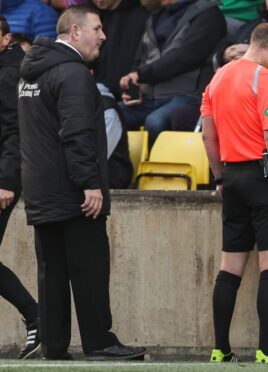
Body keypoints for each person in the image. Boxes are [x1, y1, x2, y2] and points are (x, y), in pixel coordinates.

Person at [18, 5, 146, 360]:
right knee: (89, 268)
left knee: (52, 273)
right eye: (98, 28)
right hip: (73, 192)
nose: (103, 36)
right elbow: (76, 133)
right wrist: (89, 183)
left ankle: (54, 347)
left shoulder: (30, 74)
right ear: (74, 32)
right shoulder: (73, 73)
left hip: (42, 191)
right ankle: (100, 342)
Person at [201, 23, 268, 364]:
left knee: (230, 267)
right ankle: (267, 350)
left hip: (230, 178)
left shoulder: (218, 77)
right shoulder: (267, 79)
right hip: (262, 178)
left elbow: (207, 137)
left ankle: (220, 349)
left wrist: (219, 178)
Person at [170, 0, 268, 131]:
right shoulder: (253, 24)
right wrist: (225, 54)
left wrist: (262, 55)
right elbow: (217, 57)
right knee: (181, 116)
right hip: (233, 99)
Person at [118, 0, 226, 147]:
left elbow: (186, 57)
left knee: (155, 122)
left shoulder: (208, 14)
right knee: (111, 113)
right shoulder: (156, 16)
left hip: (186, 95)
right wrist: (132, 85)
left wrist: (142, 74)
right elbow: (140, 59)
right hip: (149, 97)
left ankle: (155, 169)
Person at [0, 16, 41, 360]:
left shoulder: (10, 72)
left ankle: (36, 316)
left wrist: (5, 182)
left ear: (6, 38)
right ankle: (36, 317)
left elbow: (15, 131)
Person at [91, 0, 149, 99]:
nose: (99, 0)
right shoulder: (91, 14)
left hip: (124, 94)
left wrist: (130, 91)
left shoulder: (141, 17)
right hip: (96, 90)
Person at [97, 82, 134, 189]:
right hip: (89, 170)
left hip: (114, 173)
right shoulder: (75, 106)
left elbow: (101, 155)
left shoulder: (108, 110)